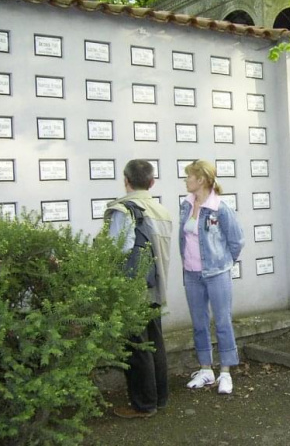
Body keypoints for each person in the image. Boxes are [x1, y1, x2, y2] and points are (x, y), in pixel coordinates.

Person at [104, 159, 172, 419]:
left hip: (132, 288)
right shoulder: (162, 210)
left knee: (136, 346)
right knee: (155, 342)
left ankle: (143, 405)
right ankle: (160, 397)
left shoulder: (125, 210)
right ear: (152, 182)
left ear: (126, 180)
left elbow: (116, 249)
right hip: (157, 287)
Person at [179, 160, 244, 395]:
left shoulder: (220, 208)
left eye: (189, 176)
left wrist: (222, 263)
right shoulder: (185, 206)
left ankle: (225, 373)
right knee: (199, 324)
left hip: (217, 274)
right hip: (192, 274)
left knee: (223, 322)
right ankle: (206, 369)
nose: (186, 180)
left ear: (202, 180)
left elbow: (236, 241)